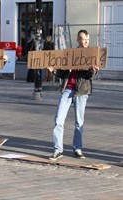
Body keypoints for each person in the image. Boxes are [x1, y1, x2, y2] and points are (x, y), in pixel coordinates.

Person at [47, 30, 100, 161]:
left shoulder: (92, 55)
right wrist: (53, 71)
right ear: (78, 40)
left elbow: (89, 77)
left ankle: (77, 148)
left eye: (87, 39)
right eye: (83, 39)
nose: (86, 42)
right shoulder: (70, 54)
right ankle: (57, 150)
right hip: (67, 89)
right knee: (59, 119)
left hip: (81, 91)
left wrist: (93, 71)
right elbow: (63, 73)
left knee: (79, 122)